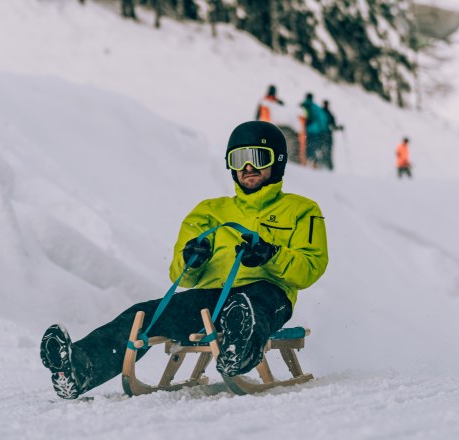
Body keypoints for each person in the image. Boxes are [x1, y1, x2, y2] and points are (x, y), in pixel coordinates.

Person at [39, 121, 330, 399]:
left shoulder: (301, 210)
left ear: (276, 161)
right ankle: (78, 368)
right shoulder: (209, 211)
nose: (248, 167)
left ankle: (238, 351)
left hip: (270, 294)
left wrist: (272, 256)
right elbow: (181, 275)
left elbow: (310, 269)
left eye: (256, 157)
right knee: (146, 313)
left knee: (252, 306)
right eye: (238, 159)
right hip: (211, 300)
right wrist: (193, 259)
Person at [301, 93, 328, 168]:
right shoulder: (315, 107)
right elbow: (322, 119)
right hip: (315, 131)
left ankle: (304, 162)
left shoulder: (302, 105)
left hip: (304, 130)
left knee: (305, 146)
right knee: (314, 147)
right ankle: (314, 164)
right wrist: (323, 130)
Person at [318, 100, 342, 171]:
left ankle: (322, 166)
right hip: (328, 135)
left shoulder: (320, 113)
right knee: (328, 151)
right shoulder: (330, 114)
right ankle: (329, 167)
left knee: (321, 150)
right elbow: (333, 126)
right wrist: (339, 128)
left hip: (320, 135)